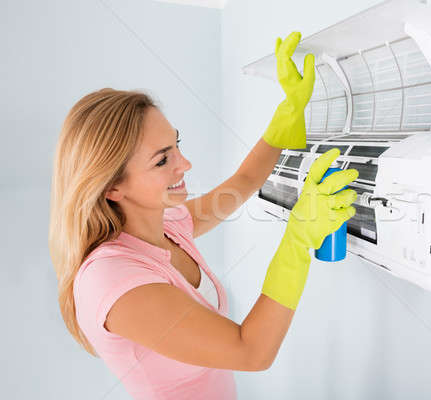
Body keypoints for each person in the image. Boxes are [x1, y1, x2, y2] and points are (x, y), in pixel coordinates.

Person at [48, 31, 358, 399]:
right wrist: (298, 240)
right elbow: (251, 351)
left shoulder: (166, 226)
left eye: (176, 145)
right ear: (112, 188)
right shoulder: (114, 281)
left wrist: (289, 111)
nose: (185, 164)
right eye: (162, 159)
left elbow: (242, 182)